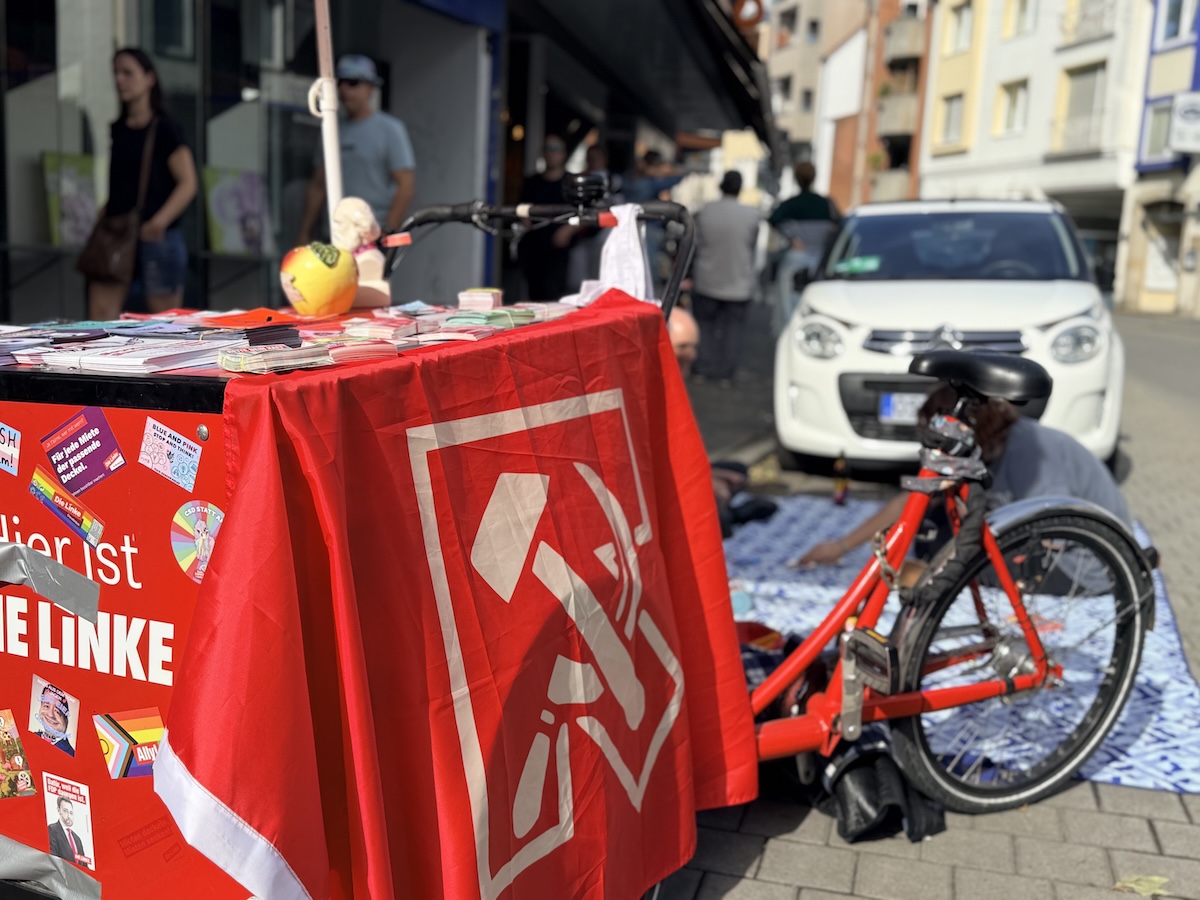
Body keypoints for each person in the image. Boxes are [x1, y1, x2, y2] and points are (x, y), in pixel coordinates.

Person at [795, 385, 1130, 568]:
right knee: (935, 530)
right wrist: (841, 546)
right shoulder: (983, 447)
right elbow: (913, 500)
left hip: (1085, 561)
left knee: (966, 562)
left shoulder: (1033, 454)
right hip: (1041, 539)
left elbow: (1048, 535)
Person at [88, 48, 197, 320]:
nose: (119, 80)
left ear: (149, 78)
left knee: (166, 322)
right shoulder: (119, 128)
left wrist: (159, 222)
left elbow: (188, 183)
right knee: (100, 318)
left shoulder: (165, 129)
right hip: (117, 233)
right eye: (115, 73)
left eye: (127, 72)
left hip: (155, 236)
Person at [299, 55, 415, 246]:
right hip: (335, 237)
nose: (345, 90)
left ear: (370, 89)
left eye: (353, 83)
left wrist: (388, 231)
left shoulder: (391, 130)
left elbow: (406, 186)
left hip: (372, 237)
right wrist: (304, 233)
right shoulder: (331, 130)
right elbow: (318, 185)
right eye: (340, 83)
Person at [691, 170, 761, 387]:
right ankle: (725, 373)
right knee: (733, 330)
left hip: (707, 278)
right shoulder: (751, 215)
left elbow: (696, 244)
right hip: (738, 282)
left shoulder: (705, 211)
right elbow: (751, 245)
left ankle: (703, 366)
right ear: (740, 188)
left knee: (705, 326)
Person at [517, 135, 573, 300]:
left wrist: (568, 231)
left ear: (564, 154)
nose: (552, 153)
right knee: (534, 297)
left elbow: (585, 214)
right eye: (548, 148)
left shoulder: (571, 183)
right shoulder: (532, 181)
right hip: (533, 248)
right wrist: (523, 218)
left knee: (556, 299)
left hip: (559, 251)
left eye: (556, 149)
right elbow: (521, 208)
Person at [625, 150, 687, 294]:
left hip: (629, 228)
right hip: (648, 229)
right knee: (649, 271)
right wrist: (665, 172)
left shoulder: (632, 179)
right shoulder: (649, 183)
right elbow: (680, 176)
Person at [31, 683, 74, 757]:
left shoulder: (70, 754)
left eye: (57, 711)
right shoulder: (32, 737)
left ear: (66, 720)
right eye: (46, 706)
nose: (50, 714)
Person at [48, 797, 90, 869]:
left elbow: (84, 865)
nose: (68, 816)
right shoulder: (52, 830)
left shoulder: (77, 839)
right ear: (59, 811)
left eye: (71, 812)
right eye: (65, 811)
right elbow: (53, 859)